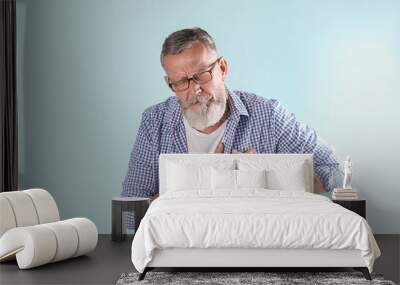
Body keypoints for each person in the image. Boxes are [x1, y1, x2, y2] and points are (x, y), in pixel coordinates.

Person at [122, 27, 341, 225]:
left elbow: (333, 169)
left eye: (201, 76)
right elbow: (129, 214)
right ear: (170, 83)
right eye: (181, 82)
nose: (195, 90)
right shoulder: (154, 122)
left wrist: (262, 177)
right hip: (182, 252)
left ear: (223, 68)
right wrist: (200, 183)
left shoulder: (268, 116)